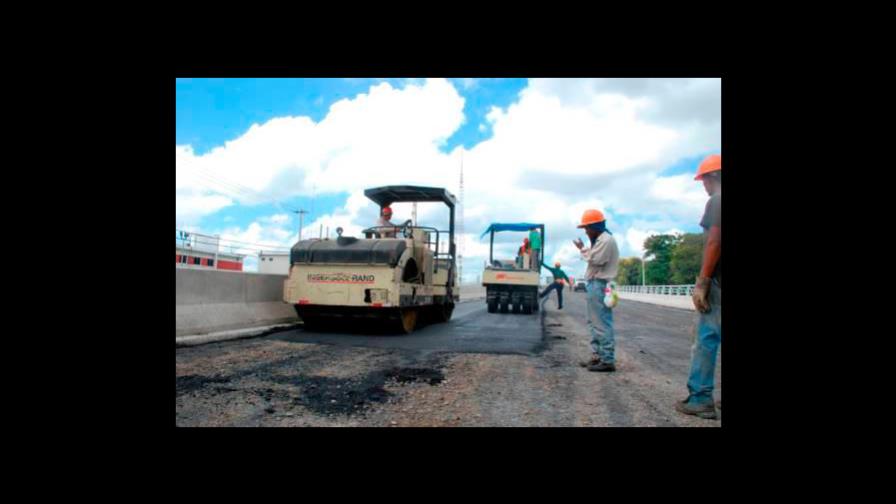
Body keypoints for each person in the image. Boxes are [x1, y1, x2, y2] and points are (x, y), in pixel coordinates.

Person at [675, 154, 722, 419]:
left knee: (706, 339)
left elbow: (715, 242)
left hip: (718, 284)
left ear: (713, 177)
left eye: (703, 179)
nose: (703, 185)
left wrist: (703, 281)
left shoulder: (717, 200)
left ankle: (700, 398)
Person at [573, 209, 620, 372]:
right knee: (594, 322)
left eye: (587, 228)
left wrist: (582, 249)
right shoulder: (600, 239)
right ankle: (597, 356)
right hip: (595, 283)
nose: (586, 232)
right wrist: (585, 249)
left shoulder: (605, 240)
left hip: (600, 284)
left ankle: (607, 359)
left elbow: (596, 260)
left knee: (601, 323)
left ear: (595, 226)